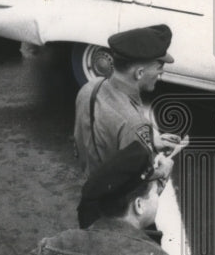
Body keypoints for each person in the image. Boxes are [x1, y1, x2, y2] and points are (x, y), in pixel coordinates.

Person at [0, 143, 192, 255]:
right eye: (155, 192)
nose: (158, 194)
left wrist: (153, 185)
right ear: (139, 205)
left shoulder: (52, 247)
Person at [74, 26, 180, 177]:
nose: (161, 73)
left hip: (91, 182)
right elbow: (138, 182)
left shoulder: (89, 87)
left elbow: (103, 143)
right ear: (139, 73)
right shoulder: (134, 124)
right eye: (159, 67)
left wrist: (151, 144)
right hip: (117, 198)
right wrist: (162, 172)